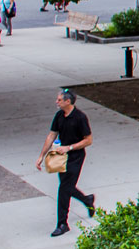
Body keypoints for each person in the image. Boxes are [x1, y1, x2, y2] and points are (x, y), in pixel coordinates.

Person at [38, 89, 96, 237]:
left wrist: (69, 147)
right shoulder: (59, 116)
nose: (56, 102)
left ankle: (62, 224)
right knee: (67, 187)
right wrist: (41, 156)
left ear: (67, 101)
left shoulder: (80, 117)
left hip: (75, 157)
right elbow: (51, 135)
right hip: (61, 156)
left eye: (59, 100)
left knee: (64, 189)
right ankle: (87, 199)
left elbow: (88, 140)